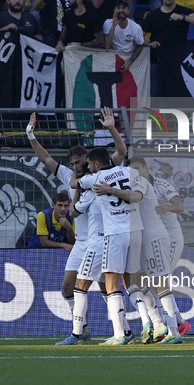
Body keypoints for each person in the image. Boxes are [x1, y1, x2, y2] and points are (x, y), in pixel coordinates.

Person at [25, 107, 126, 331]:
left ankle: (118, 328)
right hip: (81, 242)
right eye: (71, 164)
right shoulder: (69, 175)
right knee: (68, 285)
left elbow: (121, 152)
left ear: (88, 161)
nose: (74, 167)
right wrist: (30, 134)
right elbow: (45, 157)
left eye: (78, 163)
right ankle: (82, 328)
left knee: (104, 287)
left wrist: (111, 129)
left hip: (100, 239)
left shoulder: (100, 173)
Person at [78, 147, 144, 345]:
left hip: (114, 234)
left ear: (96, 164)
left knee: (111, 285)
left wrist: (82, 175)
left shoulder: (95, 178)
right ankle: (152, 323)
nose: (87, 168)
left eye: (89, 164)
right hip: (136, 231)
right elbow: (138, 195)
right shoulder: (129, 172)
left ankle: (119, 335)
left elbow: (76, 183)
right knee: (133, 284)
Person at [127, 157, 191, 337]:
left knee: (158, 283)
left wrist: (167, 208)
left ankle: (169, 326)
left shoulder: (162, 185)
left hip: (170, 239)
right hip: (150, 239)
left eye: (138, 168)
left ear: (146, 168)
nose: (136, 173)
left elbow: (180, 206)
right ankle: (176, 323)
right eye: (132, 170)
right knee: (149, 283)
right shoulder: (135, 187)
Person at [141, 0, 194, 98]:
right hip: (157, 61)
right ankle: (152, 114)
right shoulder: (152, 15)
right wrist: (148, 43)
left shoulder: (183, 10)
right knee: (153, 95)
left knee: (176, 96)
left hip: (177, 63)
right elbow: (139, 37)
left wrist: (182, 17)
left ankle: (175, 114)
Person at [103, 0, 144, 73]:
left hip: (128, 58)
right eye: (118, 8)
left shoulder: (135, 27)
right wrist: (114, 26)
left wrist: (130, 62)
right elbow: (107, 45)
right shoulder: (108, 23)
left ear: (128, 11)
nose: (121, 10)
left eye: (124, 8)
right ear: (114, 10)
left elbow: (140, 45)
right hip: (111, 59)